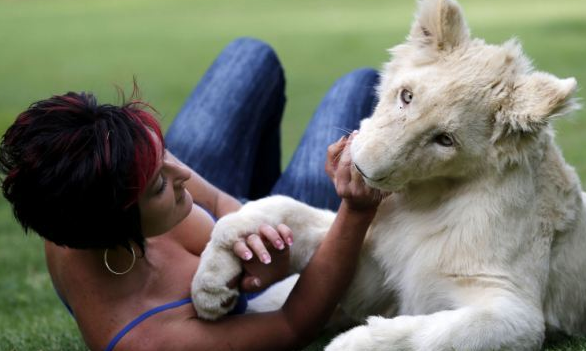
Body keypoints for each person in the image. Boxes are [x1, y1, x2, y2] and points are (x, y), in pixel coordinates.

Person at [0, 38, 383, 351]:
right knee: (355, 85)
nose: (184, 173)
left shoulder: (86, 173)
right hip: (271, 283)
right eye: (160, 184)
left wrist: (253, 232)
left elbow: (215, 202)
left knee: (249, 56)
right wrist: (355, 209)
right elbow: (293, 324)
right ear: (116, 225)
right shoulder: (152, 338)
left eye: (161, 152)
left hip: (234, 228)